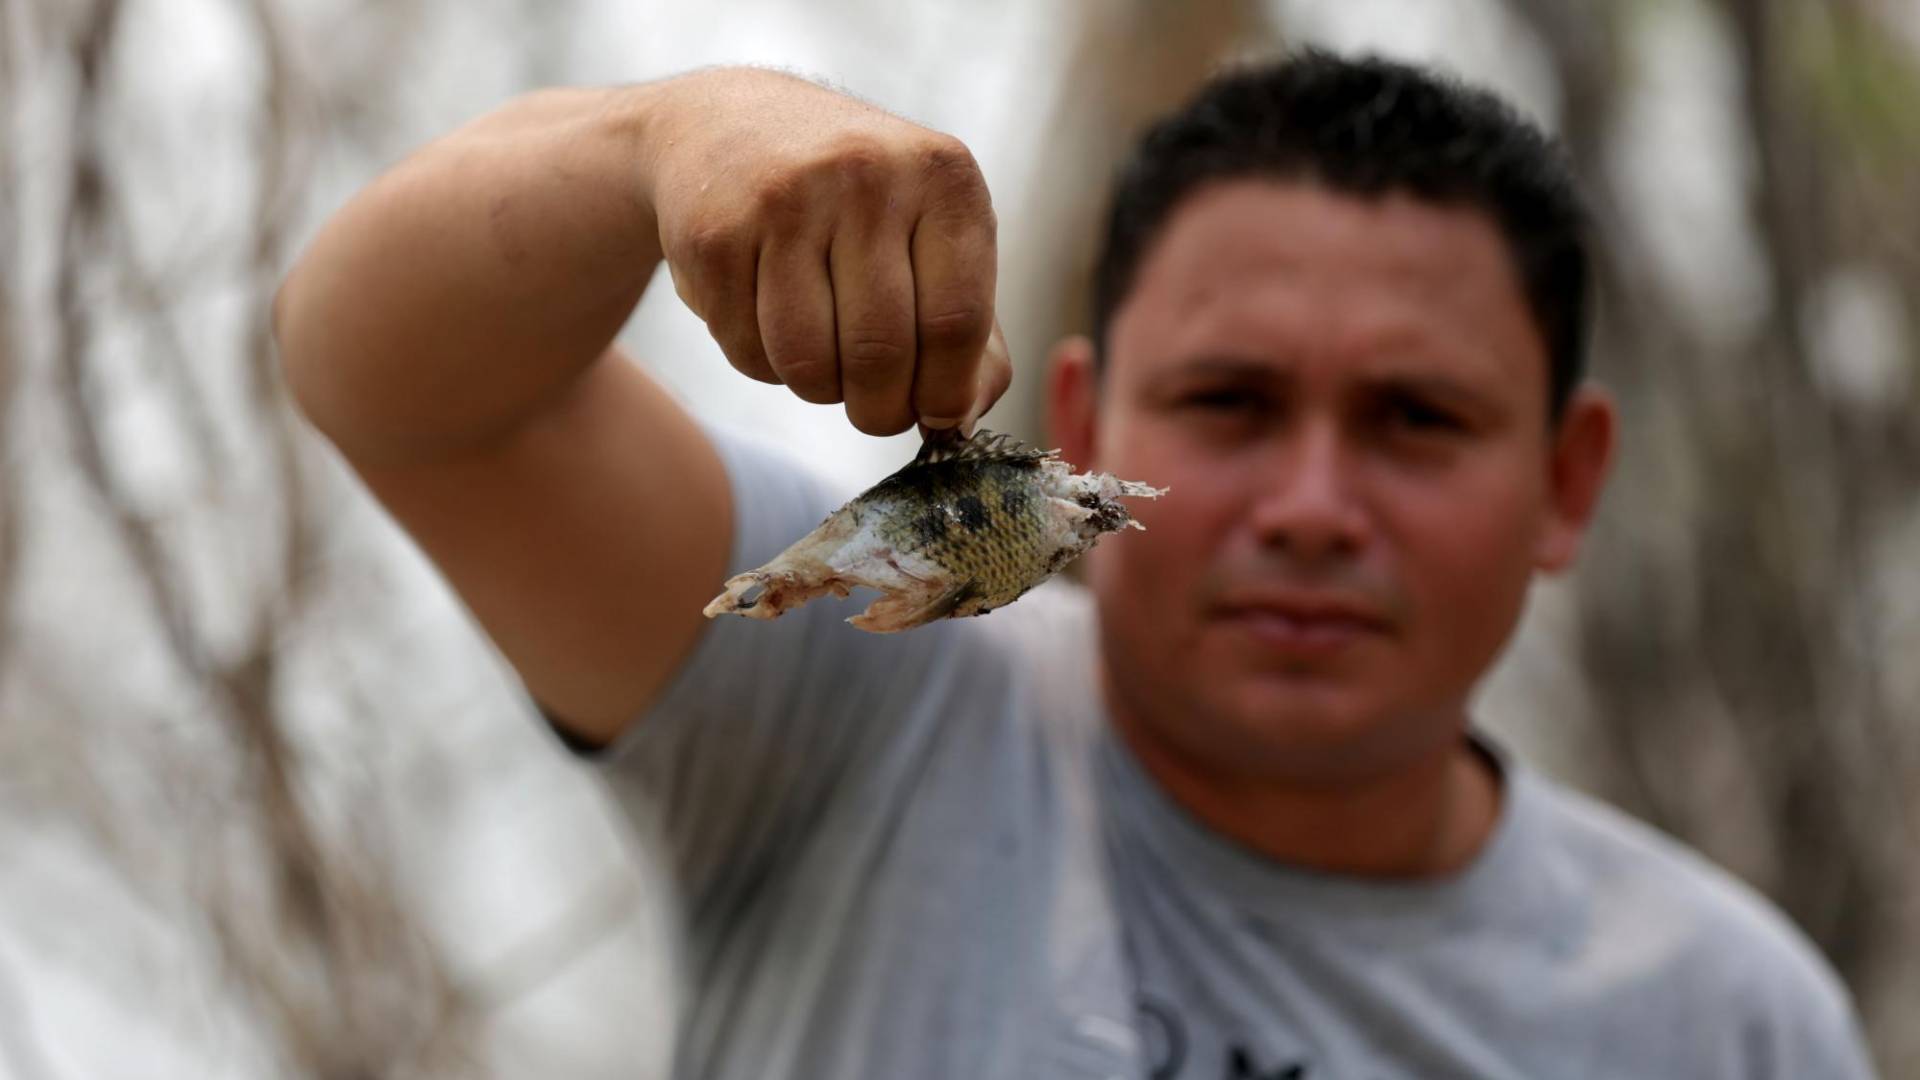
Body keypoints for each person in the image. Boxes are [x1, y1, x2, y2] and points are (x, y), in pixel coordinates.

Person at [275, 51, 1877, 1080]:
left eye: (1416, 419)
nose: (1314, 504)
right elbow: (388, 377)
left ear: (1564, 481)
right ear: (1083, 419)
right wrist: (657, 137)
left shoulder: (1734, 1023)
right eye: (1229, 403)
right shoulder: (858, 715)